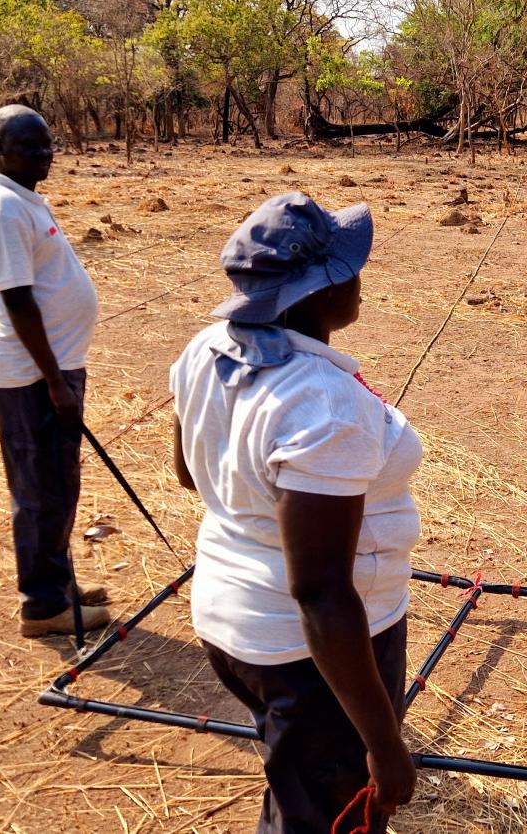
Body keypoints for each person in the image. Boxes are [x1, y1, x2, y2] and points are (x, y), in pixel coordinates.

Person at [170, 193, 420, 832]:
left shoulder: (206, 349)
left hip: (233, 619)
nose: (360, 280)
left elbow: (188, 470)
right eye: (348, 269)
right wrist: (384, 743)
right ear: (317, 292)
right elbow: (320, 591)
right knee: (327, 815)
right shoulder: (324, 407)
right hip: (309, 652)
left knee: (296, 782)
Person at [0, 105, 110, 638]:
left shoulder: (22, 198)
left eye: (48, 144)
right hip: (32, 374)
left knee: (58, 483)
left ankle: (58, 584)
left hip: (51, 367)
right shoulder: (2, 210)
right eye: (30, 146)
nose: (44, 154)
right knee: (40, 490)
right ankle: (43, 606)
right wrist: (53, 381)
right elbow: (19, 301)